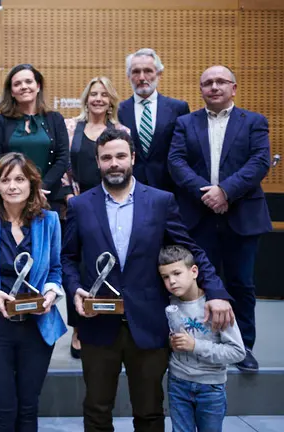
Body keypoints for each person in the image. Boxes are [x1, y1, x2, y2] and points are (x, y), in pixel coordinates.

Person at [61, 128, 235, 432]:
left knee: (150, 412)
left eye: (119, 156)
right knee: (97, 410)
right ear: (97, 162)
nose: (113, 163)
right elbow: (68, 258)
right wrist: (75, 289)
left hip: (150, 323)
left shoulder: (160, 201)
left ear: (132, 158)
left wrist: (217, 291)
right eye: (106, 158)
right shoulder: (80, 205)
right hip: (98, 325)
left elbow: (190, 249)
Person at [168, 65, 272, 372]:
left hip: (242, 215)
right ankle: (206, 342)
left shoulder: (253, 121)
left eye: (220, 82)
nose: (214, 87)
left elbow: (259, 162)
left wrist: (225, 192)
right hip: (198, 217)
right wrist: (208, 194)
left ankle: (244, 346)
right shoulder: (186, 123)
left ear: (234, 88)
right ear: (200, 90)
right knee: (200, 284)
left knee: (241, 284)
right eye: (207, 83)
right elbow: (176, 162)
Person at [0, 152, 66, 431]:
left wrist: (50, 293)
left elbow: (56, 268)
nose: (13, 186)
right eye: (6, 179)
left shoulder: (49, 220)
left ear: (32, 184)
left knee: (28, 407)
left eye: (20, 179)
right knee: (3, 408)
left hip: (37, 324)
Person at [62, 76, 129, 359]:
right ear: (86, 98)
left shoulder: (121, 129)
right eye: (93, 94)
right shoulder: (70, 126)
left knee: (106, 262)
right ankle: (78, 326)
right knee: (76, 263)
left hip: (112, 203)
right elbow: (64, 165)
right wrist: (69, 195)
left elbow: (124, 166)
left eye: (104, 94)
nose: (98, 99)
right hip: (77, 205)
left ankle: (109, 321)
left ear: (111, 99)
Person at [157, 245, 245, 432]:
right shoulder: (169, 304)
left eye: (177, 273)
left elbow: (237, 352)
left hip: (210, 387)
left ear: (194, 271)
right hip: (178, 383)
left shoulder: (217, 306)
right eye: (165, 277)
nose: (172, 281)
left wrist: (195, 345)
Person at [0, 64, 69, 216]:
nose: (24, 87)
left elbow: (63, 158)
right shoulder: (0, 121)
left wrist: (40, 188)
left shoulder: (55, 119)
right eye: (17, 84)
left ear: (38, 86)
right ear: (11, 91)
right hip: (11, 198)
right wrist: (19, 188)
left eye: (28, 82)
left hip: (48, 197)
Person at [118, 48, 190, 192]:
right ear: (128, 76)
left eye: (148, 71)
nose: (142, 77)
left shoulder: (178, 108)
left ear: (159, 74)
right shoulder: (118, 111)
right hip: (129, 189)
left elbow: (185, 152)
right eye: (136, 72)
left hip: (169, 189)